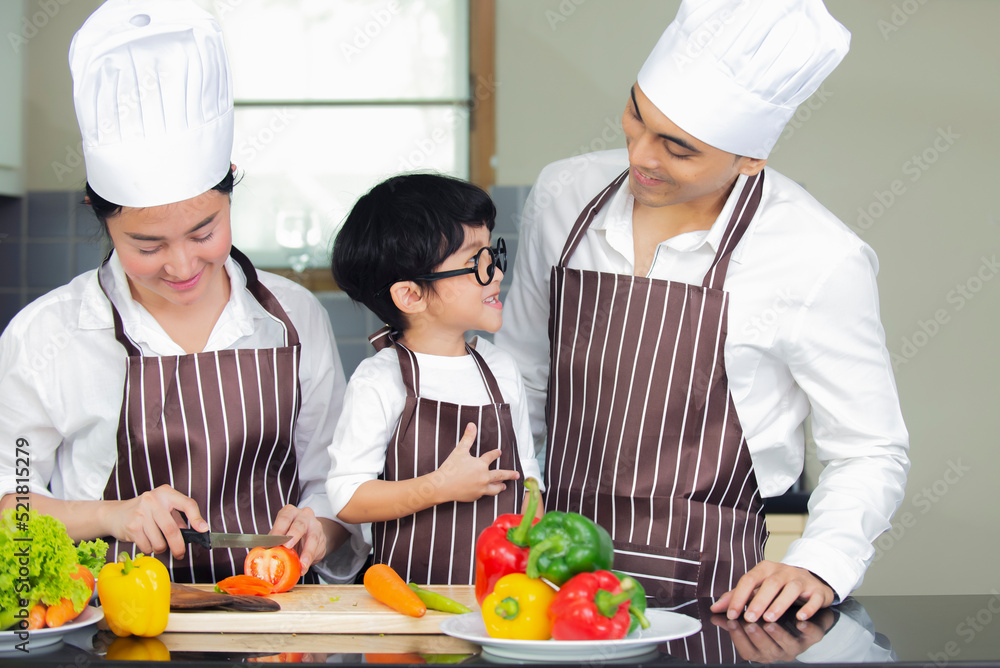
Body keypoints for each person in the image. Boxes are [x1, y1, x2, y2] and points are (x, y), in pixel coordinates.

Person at [495, 0, 909, 622]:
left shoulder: (819, 257)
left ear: (750, 159)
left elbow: (871, 449)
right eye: (636, 115)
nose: (639, 156)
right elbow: (521, 377)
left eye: (678, 149)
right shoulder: (564, 194)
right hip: (550, 577)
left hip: (715, 598)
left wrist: (820, 560)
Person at [0, 0, 364, 584]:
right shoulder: (49, 333)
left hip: (278, 628)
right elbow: (9, 507)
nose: (181, 265)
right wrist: (111, 515)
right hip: (108, 627)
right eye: (147, 246)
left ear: (230, 191)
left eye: (205, 232)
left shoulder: (292, 317)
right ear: (99, 212)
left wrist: (320, 527)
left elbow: (333, 482)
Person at [327, 173, 544, 584]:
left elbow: (529, 477)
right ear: (410, 295)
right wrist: (439, 486)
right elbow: (348, 498)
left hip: (504, 600)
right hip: (408, 603)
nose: (496, 274)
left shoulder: (500, 369)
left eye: (492, 255)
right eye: (475, 263)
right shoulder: (382, 379)